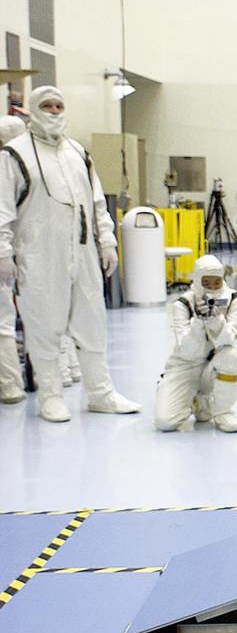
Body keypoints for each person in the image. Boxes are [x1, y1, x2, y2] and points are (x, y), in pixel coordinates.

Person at [0, 86, 139, 422]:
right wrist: (4, 251)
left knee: (93, 322)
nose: (54, 110)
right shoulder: (14, 154)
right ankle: (51, 396)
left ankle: (101, 393)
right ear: (33, 110)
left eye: (59, 105)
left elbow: (96, 201)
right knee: (44, 326)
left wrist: (106, 240)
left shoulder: (77, 152)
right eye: (46, 105)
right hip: (38, 254)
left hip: (83, 250)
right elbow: (3, 208)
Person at [154, 255, 237, 433]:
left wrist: (216, 320)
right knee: (165, 422)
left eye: (217, 283)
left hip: (214, 364)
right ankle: (194, 401)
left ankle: (223, 411)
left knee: (231, 356)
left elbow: (231, 339)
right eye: (206, 283)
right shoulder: (183, 304)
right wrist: (198, 322)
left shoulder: (233, 299)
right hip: (185, 365)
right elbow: (186, 349)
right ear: (197, 280)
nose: (212, 288)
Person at [0, 115, 25, 404]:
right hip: (15, 253)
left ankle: (10, 386)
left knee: (4, 322)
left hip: (10, 254)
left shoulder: (10, 168)